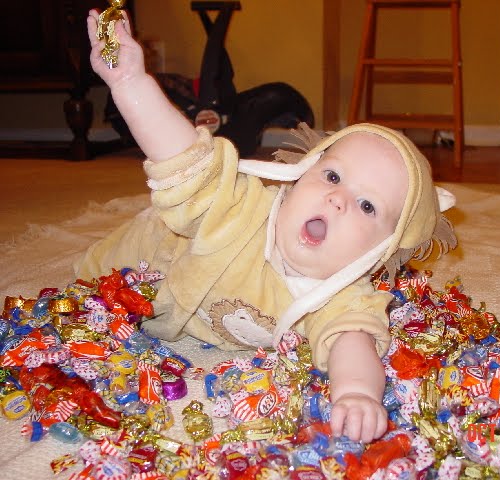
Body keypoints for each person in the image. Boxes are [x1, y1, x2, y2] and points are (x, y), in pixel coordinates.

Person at [78, 10, 457, 443]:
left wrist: (356, 393)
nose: (338, 199)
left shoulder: (344, 294)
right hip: (141, 263)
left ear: (381, 251)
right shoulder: (239, 208)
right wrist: (132, 84)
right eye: (332, 176)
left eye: (367, 205)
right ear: (299, 176)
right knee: (86, 291)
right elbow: (185, 161)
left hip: (195, 317)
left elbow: (352, 342)